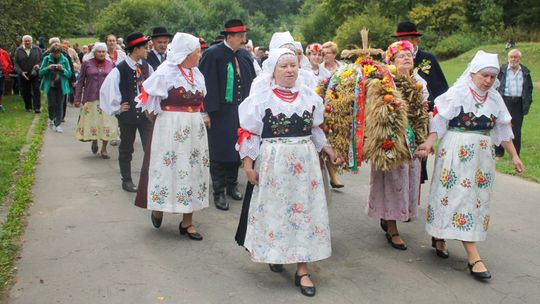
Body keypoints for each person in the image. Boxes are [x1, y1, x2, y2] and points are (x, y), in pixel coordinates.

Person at [235, 48, 343, 297]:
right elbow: (250, 134)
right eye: (283, 66)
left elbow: (316, 130)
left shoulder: (309, 97)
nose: (289, 70)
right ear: (273, 70)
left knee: (304, 214)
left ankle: (303, 270)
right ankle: (277, 253)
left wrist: (328, 150)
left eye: (293, 65)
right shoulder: (261, 99)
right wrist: (249, 166)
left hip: (305, 166)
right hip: (274, 164)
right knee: (277, 213)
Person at [417, 51, 524, 280]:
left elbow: (502, 131)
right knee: (454, 195)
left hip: (482, 157)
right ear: (473, 73)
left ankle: (441, 235)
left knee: (474, 200)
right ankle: (473, 255)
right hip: (456, 151)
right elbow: (440, 120)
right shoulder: (457, 94)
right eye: (485, 76)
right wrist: (428, 143)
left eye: (493, 77)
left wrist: (514, 155)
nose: (488, 81)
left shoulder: (495, 99)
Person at [134, 32, 209, 240]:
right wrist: (163, 127)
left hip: (195, 130)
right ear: (186, 53)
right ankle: (159, 206)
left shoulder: (197, 74)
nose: (200, 55)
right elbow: (148, 104)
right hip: (170, 129)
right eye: (197, 51)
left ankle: (188, 222)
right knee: (169, 170)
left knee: (193, 170)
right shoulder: (165, 72)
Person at [365, 40, 429, 250]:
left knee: (406, 178)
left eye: (409, 55)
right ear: (391, 60)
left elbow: (423, 110)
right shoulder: (384, 80)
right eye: (401, 55)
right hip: (391, 137)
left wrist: (425, 137)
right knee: (392, 180)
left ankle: (391, 216)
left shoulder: (419, 81)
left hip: (411, 139)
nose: (406, 58)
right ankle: (392, 227)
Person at [199, 19, 257, 211]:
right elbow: (205, 84)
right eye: (240, 36)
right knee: (218, 151)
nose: (244, 40)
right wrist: (205, 111)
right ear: (229, 37)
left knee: (237, 148)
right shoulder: (212, 54)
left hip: (241, 110)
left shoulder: (245, 55)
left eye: (244, 36)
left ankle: (232, 185)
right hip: (220, 111)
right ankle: (219, 191)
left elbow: (253, 81)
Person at [393, 21, 449, 184]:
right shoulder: (392, 58)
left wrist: (433, 112)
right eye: (401, 39)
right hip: (399, 116)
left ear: (417, 40)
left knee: (417, 159)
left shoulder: (428, 59)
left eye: (409, 38)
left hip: (422, 114)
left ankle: (411, 197)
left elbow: (441, 88)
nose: (406, 43)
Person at [100, 32, 154, 192]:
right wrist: (117, 108)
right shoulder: (120, 69)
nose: (147, 51)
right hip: (128, 115)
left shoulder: (146, 67)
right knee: (126, 148)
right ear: (135, 49)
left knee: (150, 148)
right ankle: (127, 180)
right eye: (145, 48)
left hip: (145, 115)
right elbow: (107, 90)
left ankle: (149, 180)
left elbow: (153, 87)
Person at [74, 42, 119, 158]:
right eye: (99, 51)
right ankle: (94, 141)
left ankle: (104, 149)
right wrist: (77, 98)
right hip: (91, 98)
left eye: (103, 52)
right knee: (93, 122)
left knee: (107, 123)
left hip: (107, 99)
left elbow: (116, 83)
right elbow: (80, 81)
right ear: (94, 53)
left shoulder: (111, 65)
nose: (101, 54)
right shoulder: (87, 64)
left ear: (106, 53)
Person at [495, 49, 533, 158]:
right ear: (508, 58)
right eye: (511, 57)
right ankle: (498, 153)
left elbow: (529, 89)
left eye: (516, 57)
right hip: (504, 101)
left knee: (516, 130)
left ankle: (515, 155)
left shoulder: (525, 72)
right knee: (501, 125)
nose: (513, 59)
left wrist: (527, 102)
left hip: (518, 103)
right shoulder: (502, 71)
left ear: (519, 59)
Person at [39, 44, 72, 133]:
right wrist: (48, 68)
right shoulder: (46, 59)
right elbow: (40, 72)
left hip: (61, 86)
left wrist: (62, 70)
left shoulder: (65, 60)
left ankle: (58, 124)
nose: (56, 55)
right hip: (50, 86)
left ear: (60, 52)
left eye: (58, 53)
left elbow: (69, 74)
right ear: (52, 52)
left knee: (59, 105)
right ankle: (51, 118)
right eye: (54, 53)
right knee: (51, 104)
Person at [13, 35, 42, 113]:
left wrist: (39, 65)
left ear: (31, 41)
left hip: (35, 73)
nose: (27, 42)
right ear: (23, 42)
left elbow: (42, 60)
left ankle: (37, 107)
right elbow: (15, 63)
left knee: (36, 90)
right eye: (25, 41)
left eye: (29, 40)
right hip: (23, 74)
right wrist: (20, 72)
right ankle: (28, 107)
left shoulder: (37, 49)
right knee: (25, 91)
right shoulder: (18, 50)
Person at [0, 46, 14, 112]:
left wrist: (7, 71)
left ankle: (0, 105)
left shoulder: (3, 53)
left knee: (0, 90)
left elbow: (9, 63)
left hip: (1, 75)